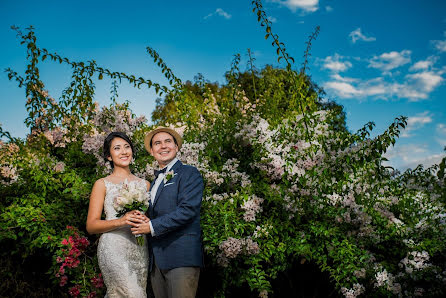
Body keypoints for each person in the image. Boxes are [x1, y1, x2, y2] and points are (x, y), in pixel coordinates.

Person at [129, 127, 204, 298]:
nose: (163, 146)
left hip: (181, 257)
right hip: (156, 261)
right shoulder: (154, 182)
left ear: (176, 147)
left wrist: (151, 226)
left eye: (168, 141)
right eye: (157, 143)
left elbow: (187, 210)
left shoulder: (189, 173)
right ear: (152, 152)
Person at [86, 131, 150, 297]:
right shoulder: (102, 184)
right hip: (114, 248)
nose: (124, 151)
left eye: (127, 147)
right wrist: (121, 221)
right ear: (108, 156)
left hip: (140, 249)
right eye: (117, 148)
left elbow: (149, 220)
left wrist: (146, 221)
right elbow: (91, 226)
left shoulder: (146, 185)